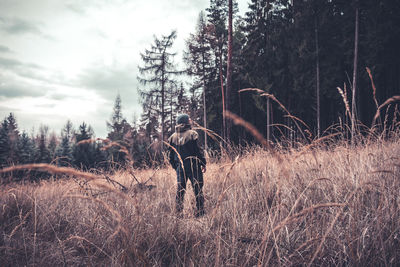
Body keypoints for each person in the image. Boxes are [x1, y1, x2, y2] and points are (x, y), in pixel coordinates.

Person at [168, 114, 206, 217]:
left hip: (180, 168)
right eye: (189, 119)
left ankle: (178, 213)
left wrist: (176, 167)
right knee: (198, 189)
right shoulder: (193, 134)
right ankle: (200, 213)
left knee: (180, 191)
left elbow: (170, 157)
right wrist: (203, 163)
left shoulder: (172, 137)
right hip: (194, 167)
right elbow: (198, 151)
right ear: (185, 122)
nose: (190, 120)